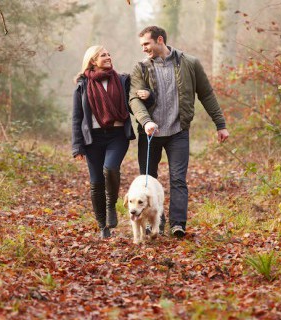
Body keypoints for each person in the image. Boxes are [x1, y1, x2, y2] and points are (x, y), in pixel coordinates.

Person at [129, 26, 230, 238]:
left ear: (159, 40)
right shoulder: (141, 68)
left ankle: (177, 224)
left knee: (178, 179)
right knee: (148, 181)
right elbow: (134, 99)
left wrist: (220, 124)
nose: (144, 49)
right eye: (142, 46)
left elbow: (207, 95)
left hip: (178, 132)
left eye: (147, 44)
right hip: (150, 134)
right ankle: (154, 223)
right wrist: (146, 121)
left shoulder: (189, 63)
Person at [71, 45, 135, 239]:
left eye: (109, 54)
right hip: (93, 139)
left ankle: (111, 205)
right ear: (92, 61)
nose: (108, 57)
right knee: (96, 182)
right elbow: (77, 117)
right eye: (103, 55)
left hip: (117, 135)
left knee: (110, 169)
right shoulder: (82, 85)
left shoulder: (122, 80)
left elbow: (135, 102)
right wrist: (77, 146)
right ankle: (102, 226)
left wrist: (147, 97)